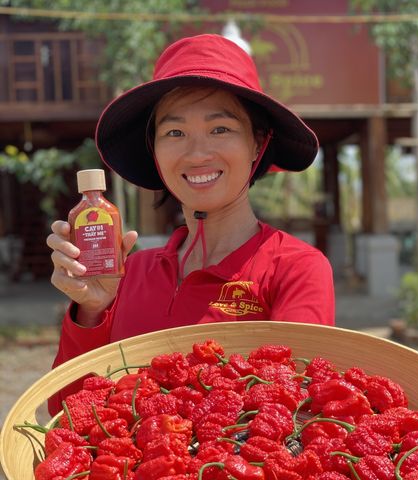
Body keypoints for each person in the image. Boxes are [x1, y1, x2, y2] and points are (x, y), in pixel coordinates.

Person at [46, 33, 335, 413]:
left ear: (257, 144)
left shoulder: (295, 269)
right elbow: (67, 413)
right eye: (175, 132)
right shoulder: (129, 272)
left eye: (220, 129)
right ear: (154, 150)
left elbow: (295, 415)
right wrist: (91, 310)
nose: (197, 153)